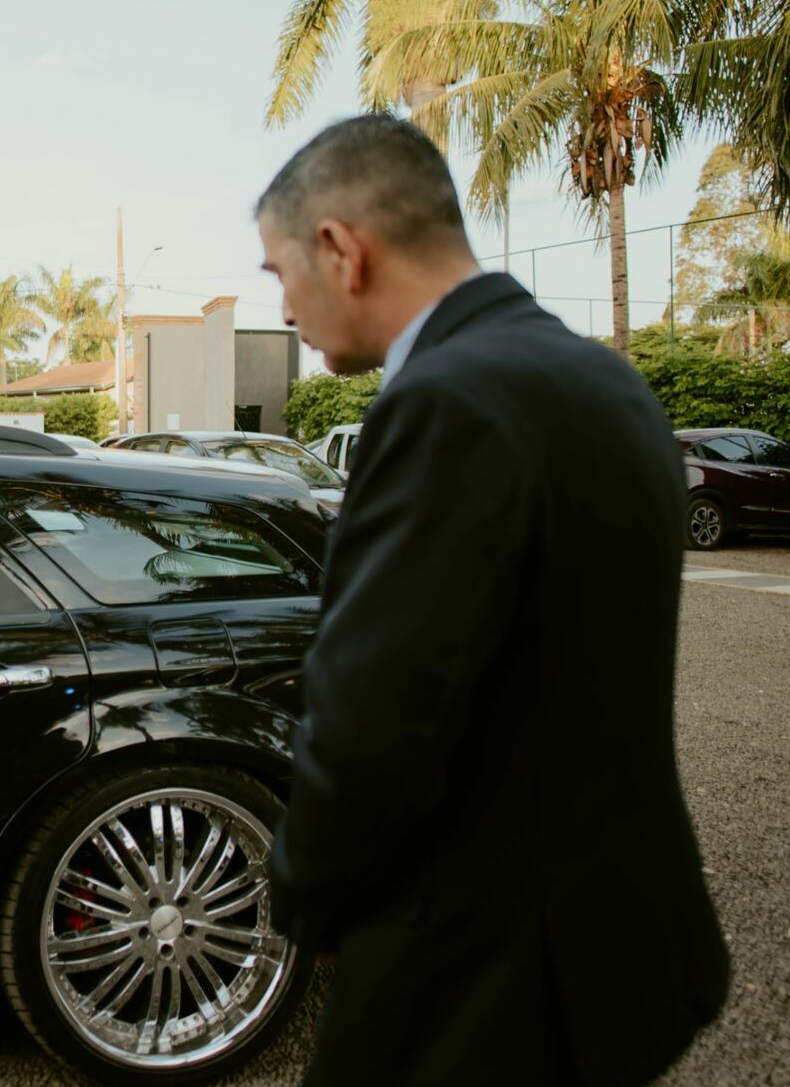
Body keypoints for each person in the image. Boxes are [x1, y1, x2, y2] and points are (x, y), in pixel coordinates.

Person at [254, 116, 727, 1086]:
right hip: (620, 947)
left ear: (341, 250)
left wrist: (307, 898)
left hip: (482, 978)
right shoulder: (606, 381)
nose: (288, 311)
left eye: (278, 273)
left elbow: (373, 723)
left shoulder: (441, 403)